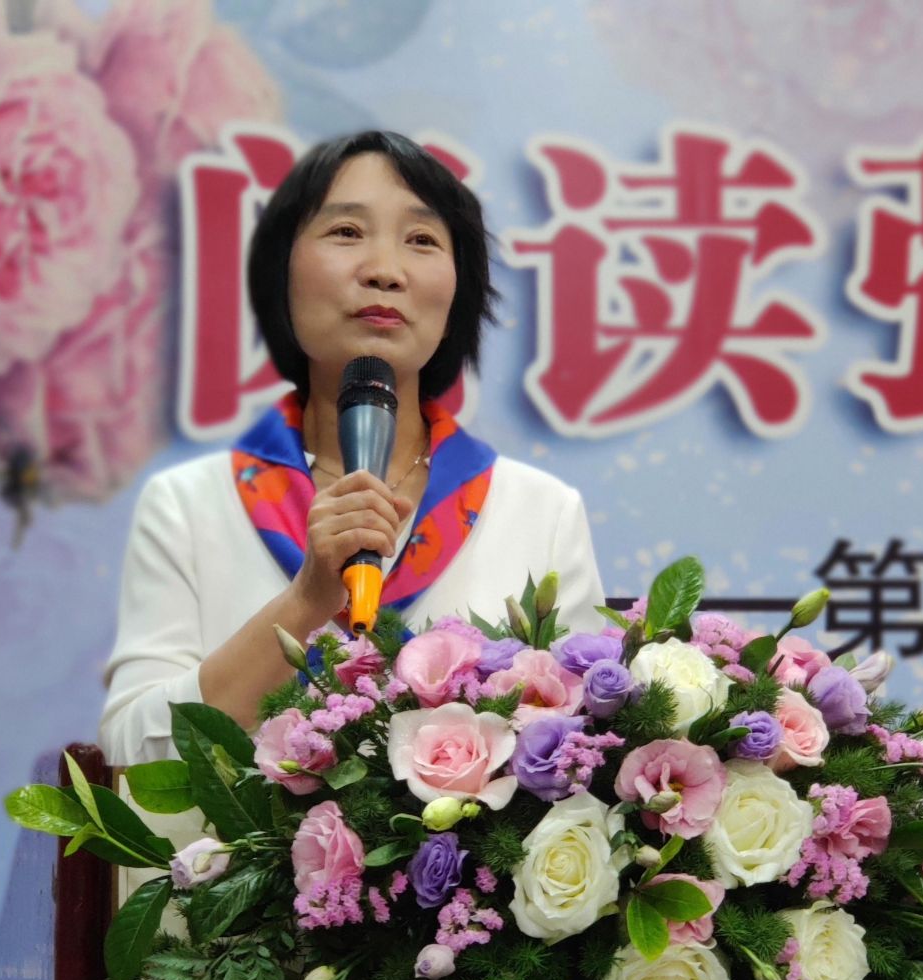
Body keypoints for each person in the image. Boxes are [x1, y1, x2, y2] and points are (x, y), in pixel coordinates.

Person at [99, 130, 607, 767]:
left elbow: (584, 751)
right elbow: (131, 751)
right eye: (346, 232)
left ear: (459, 289)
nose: (384, 270)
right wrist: (305, 604)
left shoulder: (541, 511)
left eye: (422, 240)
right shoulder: (188, 504)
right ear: (282, 272)